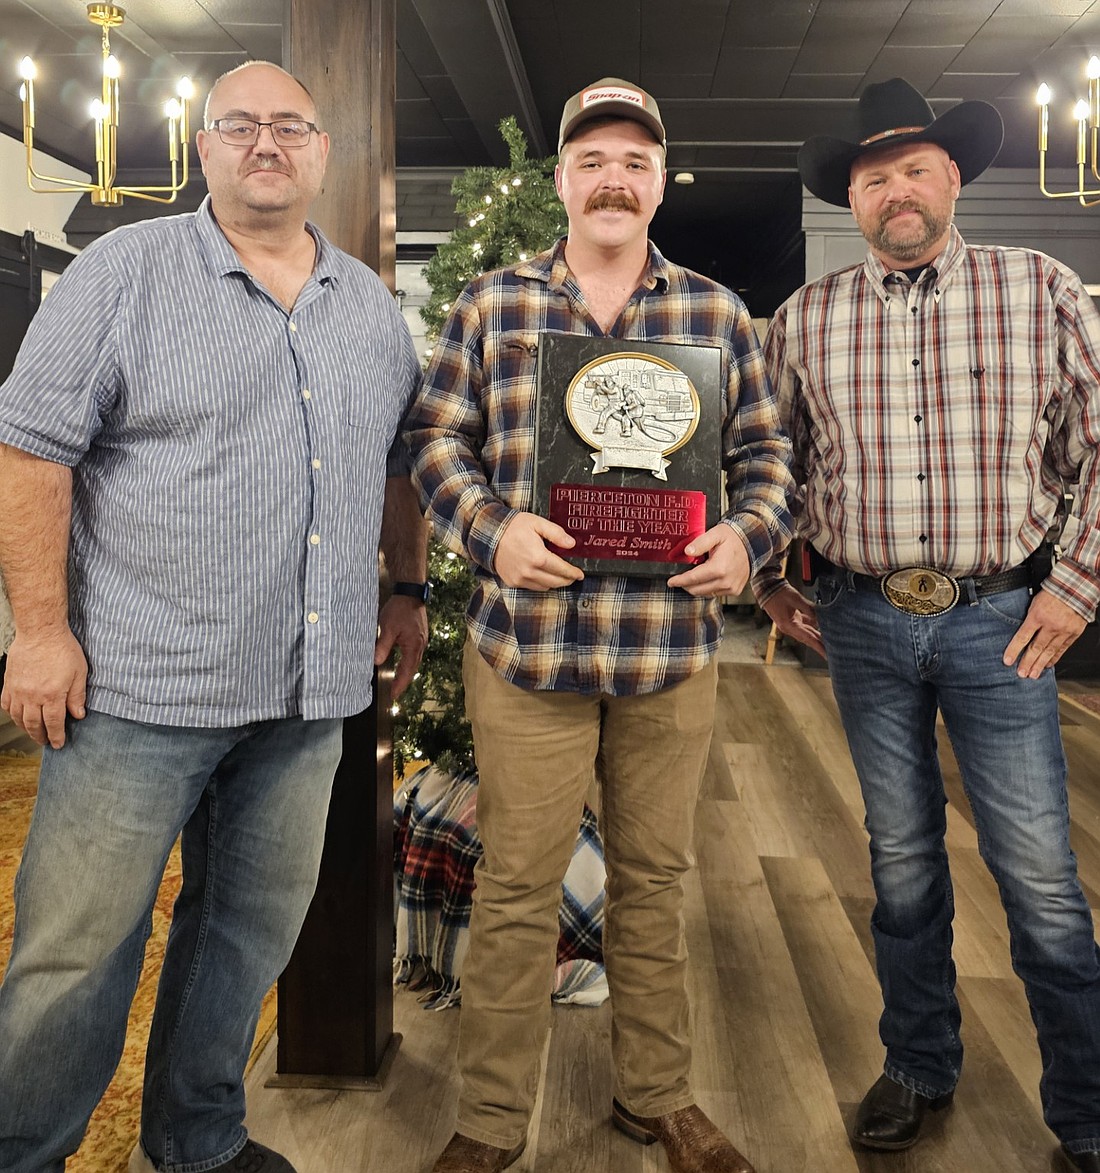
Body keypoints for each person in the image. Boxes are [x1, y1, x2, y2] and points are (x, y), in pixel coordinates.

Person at [0, 61, 428, 1173]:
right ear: (205, 149)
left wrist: (407, 587)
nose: (266, 144)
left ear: (320, 151)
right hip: (138, 693)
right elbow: (29, 447)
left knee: (243, 940)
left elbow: (397, 465)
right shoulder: (123, 274)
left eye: (290, 125)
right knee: (75, 957)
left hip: (304, 698)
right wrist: (39, 633)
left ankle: (197, 1140)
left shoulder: (371, 312)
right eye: (239, 125)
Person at [406, 77, 793, 1173]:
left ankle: (656, 1096)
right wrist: (488, 532)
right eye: (592, 160)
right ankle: (488, 1123)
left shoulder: (713, 313)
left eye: (634, 160)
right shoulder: (493, 302)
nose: (613, 178)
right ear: (563, 179)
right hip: (527, 650)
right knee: (517, 884)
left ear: (660, 181)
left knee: (654, 881)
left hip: (668, 652)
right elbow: (436, 437)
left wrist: (747, 541)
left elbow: (765, 463)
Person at [757, 77, 1100, 1172]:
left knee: (1037, 872)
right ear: (849, 201)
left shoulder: (1037, 288)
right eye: (871, 178)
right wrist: (768, 577)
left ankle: (1087, 1114)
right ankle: (916, 1065)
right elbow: (775, 467)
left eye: (912, 169)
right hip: (857, 619)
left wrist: (1073, 586)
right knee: (898, 859)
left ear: (951, 176)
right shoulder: (803, 320)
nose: (894, 192)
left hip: (1000, 615)